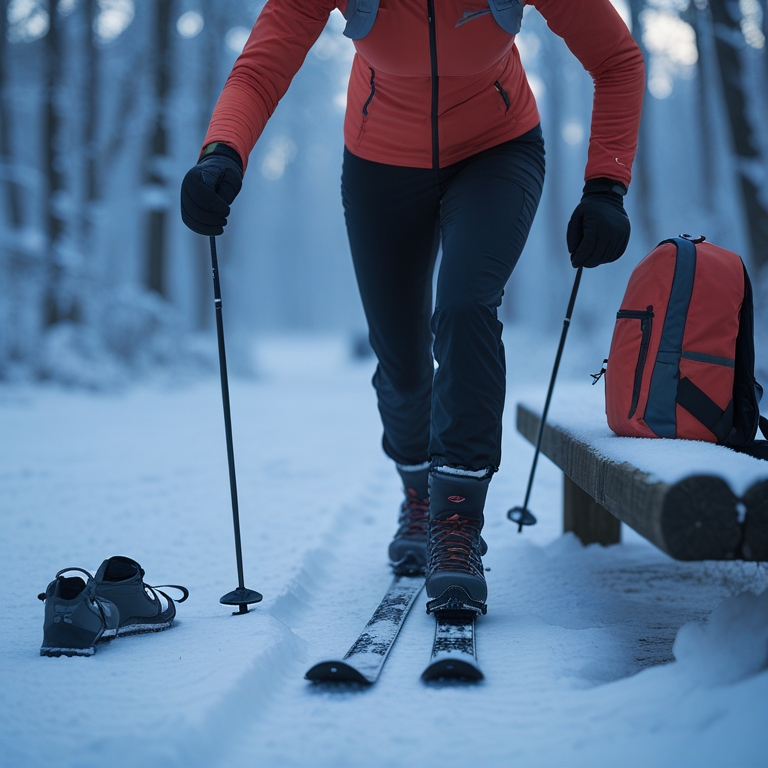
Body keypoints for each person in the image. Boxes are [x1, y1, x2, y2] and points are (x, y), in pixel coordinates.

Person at [180, 0, 645, 615]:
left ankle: (455, 524)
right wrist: (223, 151)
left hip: (497, 152)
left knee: (463, 305)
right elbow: (261, 67)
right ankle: (419, 496)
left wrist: (607, 185)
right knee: (400, 358)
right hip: (379, 164)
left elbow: (617, 60)